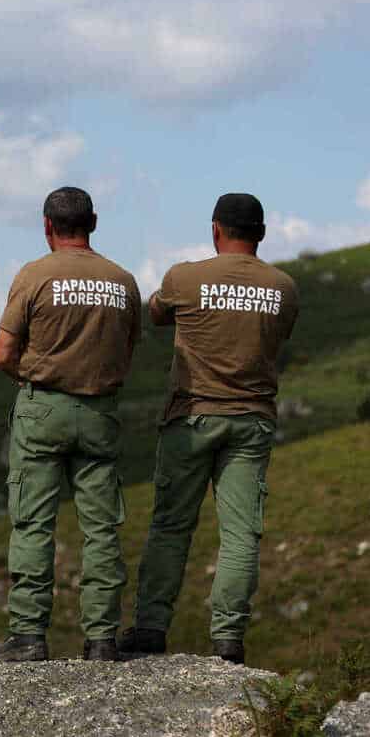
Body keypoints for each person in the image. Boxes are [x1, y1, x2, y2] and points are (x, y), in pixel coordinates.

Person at [120, 193, 299, 665]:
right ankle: (227, 641)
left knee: (171, 526)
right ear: (261, 233)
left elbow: (156, 312)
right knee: (240, 535)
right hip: (252, 420)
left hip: (191, 416)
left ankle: (151, 629)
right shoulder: (284, 287)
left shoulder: (186, 277)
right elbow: (278, 334)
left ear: (215, 229)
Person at [0, 187, 141, 663]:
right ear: (93, 223)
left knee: (34, 522)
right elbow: (128, 349)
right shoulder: (122, 281)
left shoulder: (34, 275)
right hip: (99, 412)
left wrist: (37, 380)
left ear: (47, 225)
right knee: (101, 529)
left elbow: (2, 355)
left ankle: (29, 635)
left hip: (42, 409)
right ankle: (101, 638)